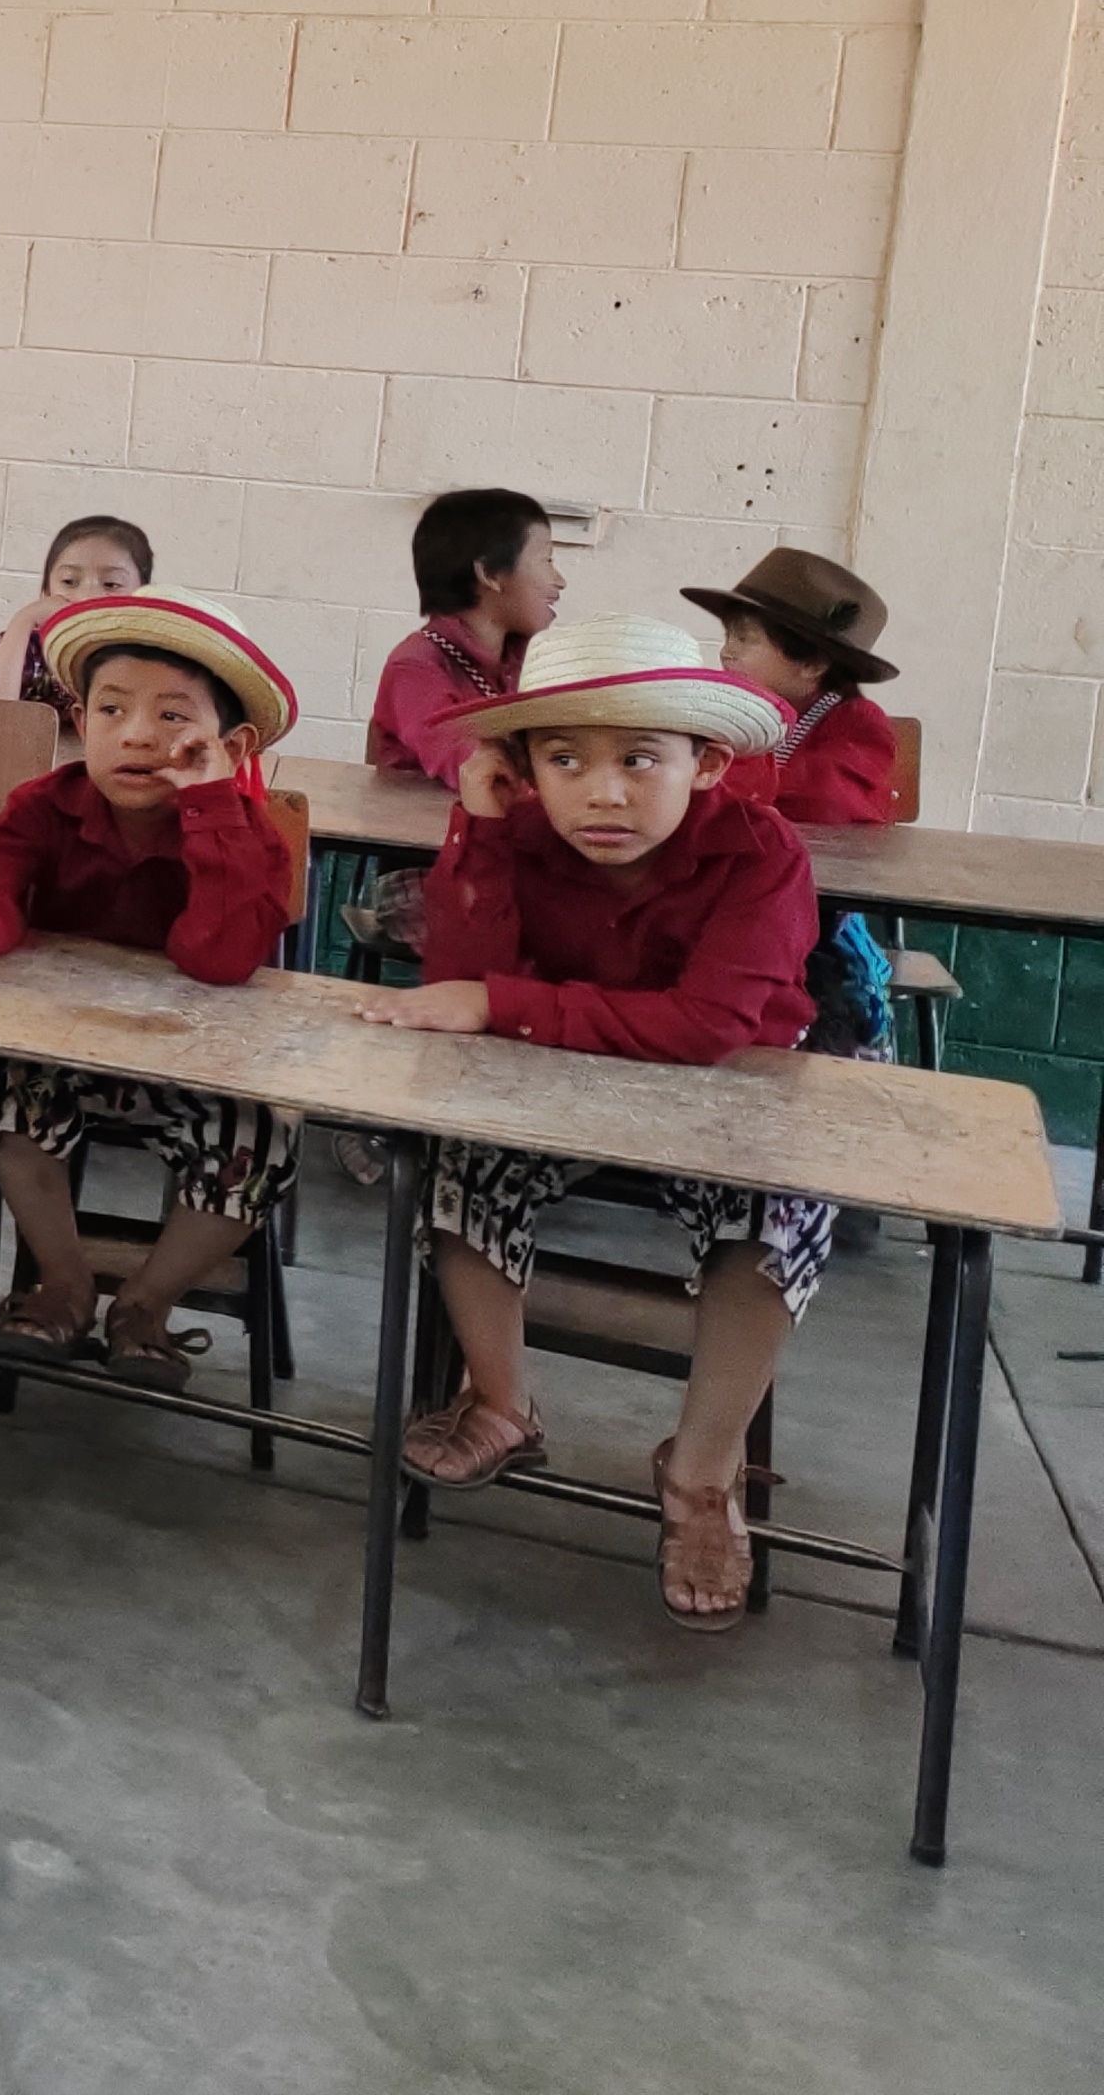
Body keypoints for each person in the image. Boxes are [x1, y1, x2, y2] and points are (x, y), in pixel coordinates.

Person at [356, 617, 819, 1632]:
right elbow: (456, 983)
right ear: (522, 770)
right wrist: (475, 829)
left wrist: (506, 1004)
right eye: (563, 760)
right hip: (553, 1083)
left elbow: (707, 1027)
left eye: (637, 760)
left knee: (777, 1205)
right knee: (457, 1153)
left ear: (703, 764)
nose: (601, 792)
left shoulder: (762, 855)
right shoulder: (514, 836)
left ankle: (700, 1473)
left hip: (725, 1095)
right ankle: (502, 1404)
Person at [0, 589, 297, 1391]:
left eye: (176, 718)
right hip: (65, 1049)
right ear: (80, 719)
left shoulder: (252, 835)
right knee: (6, 1090)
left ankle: (145, 1305)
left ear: (232, 743)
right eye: (111, 709)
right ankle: (64, 1283)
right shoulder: (45, 807)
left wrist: (211, 807)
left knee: (264, 1134)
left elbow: (219, 957)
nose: (137, 735)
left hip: (194, 1065)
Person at [686, 547, 899, 827]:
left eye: (746, 639)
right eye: (728, 638)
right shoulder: (724, 712)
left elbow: (827, 802)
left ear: (812, 664)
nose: (727, 653)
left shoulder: (857, 723)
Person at [367, 488, 562, 785]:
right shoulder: (416, 668)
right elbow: (482, 772)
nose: (559, 581)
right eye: (546, 560)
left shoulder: (523, 662)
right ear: (491, 575)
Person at [0, 514, 152, 724]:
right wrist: (23, 620)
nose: (88, 596)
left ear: (143, 595)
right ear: (47, 592)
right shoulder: (27, 648)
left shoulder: (149, 656)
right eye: (69, 581)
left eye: (111, 584)